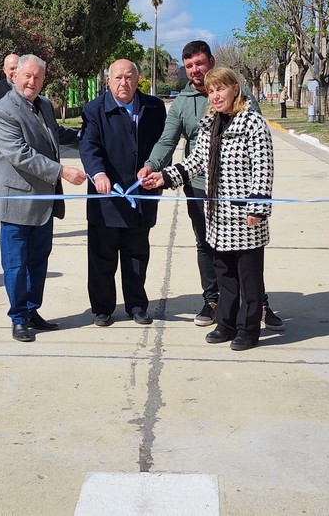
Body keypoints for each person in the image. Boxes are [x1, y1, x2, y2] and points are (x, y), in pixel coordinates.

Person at [140, 40, 284, 331]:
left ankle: (258, 308)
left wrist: (257, 204)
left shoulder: (247, 110)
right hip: (201, 189)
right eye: (189, 65)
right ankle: (216, 304)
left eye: (200, 64)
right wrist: (157, 170)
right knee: (211, 250)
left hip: (241, 195)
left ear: (213, 63)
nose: (195, 71)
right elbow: (178, 146)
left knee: (247, 257)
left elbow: (262, 164)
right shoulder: (189, 107)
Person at [0, 54, 86, 342]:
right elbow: (21, 154)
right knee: (16, 263)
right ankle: (18, 318)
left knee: (38, 260)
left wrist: (92, 135)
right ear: (15, 75)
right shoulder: (4, 110)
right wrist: (61, 172)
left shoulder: (43, 105)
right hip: (16, 202)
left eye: (38, 77)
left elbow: (54, 134)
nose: (32, 81)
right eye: (27, 76)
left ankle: (32, 310)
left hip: (43, 201)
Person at [79, 59, 167, 327]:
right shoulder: (94, 110)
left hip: (140, 196)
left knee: (136, 257)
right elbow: (89, 146)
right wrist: (98, 174)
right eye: (117, 77)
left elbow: (165, 144)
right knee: (102, 258)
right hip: (106, 198)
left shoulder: (154, 107)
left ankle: (137, 305)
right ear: (108, 80)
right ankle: (102, 308)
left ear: (137, 79)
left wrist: (156, 170)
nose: (123, 83)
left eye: (129, 77)